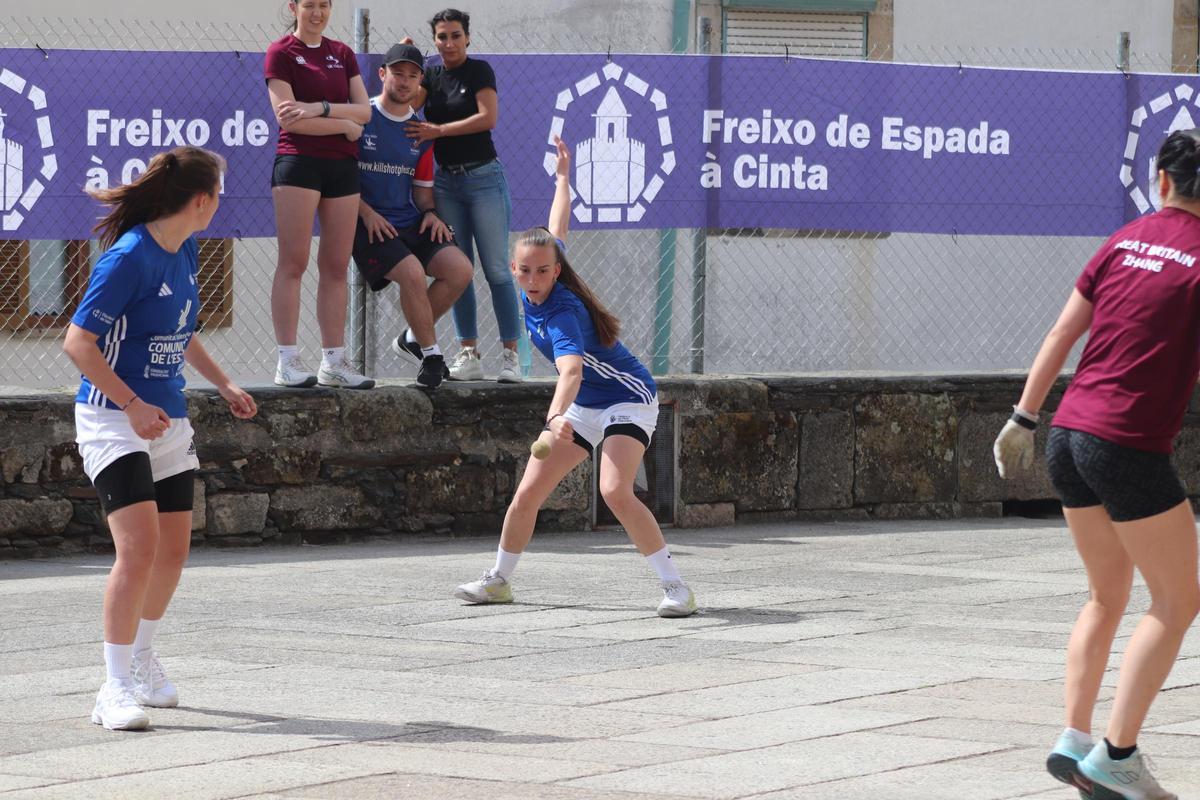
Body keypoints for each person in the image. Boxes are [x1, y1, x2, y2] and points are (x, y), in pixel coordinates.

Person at [994, 129, 1200, 799]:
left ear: (1162, 182)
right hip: (1126, 444)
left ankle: (1075, 737)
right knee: (1177, 600)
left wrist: (1023, 418)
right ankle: (1116, 756)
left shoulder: (1123, 240)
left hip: (1066, 434)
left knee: (1106, 595)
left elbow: (1062, 333)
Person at [453, 137, 696, 618]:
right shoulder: (533, 279)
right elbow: (557, 223)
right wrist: (563, 177)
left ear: (557, 271)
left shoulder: (563, 311)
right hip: (584, 403)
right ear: (514, 269)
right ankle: (500, 581)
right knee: (527, 493)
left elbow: (571, 370)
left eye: (542, 271)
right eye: (524, 271)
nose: (532, 278)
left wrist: (552, 419)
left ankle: (677, 588)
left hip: (627, 397)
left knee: (614, 490)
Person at [62, 147, 258, 731]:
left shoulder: (186, 247)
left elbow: (181, 327)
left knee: (174, 550)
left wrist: (222, 383)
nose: (221, 204)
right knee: (139, 549)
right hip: (111, 418)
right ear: (202, 200)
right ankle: (113, 686)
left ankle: (143, 659)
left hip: (168, 419)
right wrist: (132, 403)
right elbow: (77, 345)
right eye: (219, 194)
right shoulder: (127, 258)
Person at [406, 8, 524, 383]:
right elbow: (405, 106)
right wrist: (409, 60)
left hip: (484, 179)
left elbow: (487, 118)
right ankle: (468, 353)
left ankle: (511, 357)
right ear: (435, 41)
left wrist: (438, 130)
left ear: (467, 37)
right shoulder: (432, 75)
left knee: (496, 270)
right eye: (442, 37)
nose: (449, 43)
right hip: (447, 185)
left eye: (456, 35)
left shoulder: (479, 71)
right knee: (461, 272)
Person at [265, 0, 374, 389]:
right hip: (298, 165)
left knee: (336, 266)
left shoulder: (341, 53)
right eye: (309, 5)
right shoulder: (281, 52)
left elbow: (365, 112)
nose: (317, 13)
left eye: (324, 5)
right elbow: (288, 121)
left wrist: (321, 108)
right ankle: (287, 360)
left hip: (342, 168)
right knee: (293, 262)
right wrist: (342, 123)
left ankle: (334, 361)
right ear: (293, 7)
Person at [354, 43, 472, 390]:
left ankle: (412, 339)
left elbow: (421, 191)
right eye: (398, 73)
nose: (404, 82)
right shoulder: (361, 117)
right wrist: (367, 213)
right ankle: (433, 356)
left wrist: (432, 213)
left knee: (460, 269)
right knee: (411, 273)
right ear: (382, 74)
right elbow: (341, 179)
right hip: (364, 222)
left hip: (407, 219)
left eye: (412, 76)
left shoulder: (420, 132)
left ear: (420, 81)